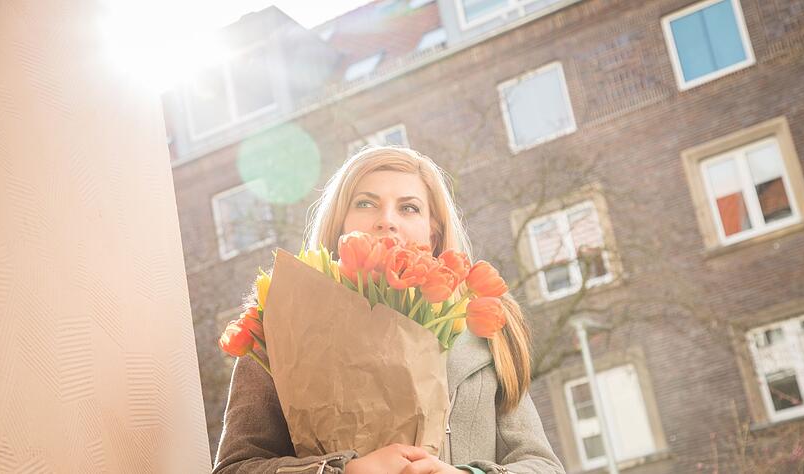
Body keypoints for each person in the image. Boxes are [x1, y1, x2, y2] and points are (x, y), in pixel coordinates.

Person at [212, 147, 565, 474]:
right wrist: (344, 471)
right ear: (339, 224)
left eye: (408, 208)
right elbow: (234, 468)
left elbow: (542, 465)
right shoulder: (283, 325)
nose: (387, 221)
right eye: (365, 203)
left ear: (433, 232)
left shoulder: (483, 328)